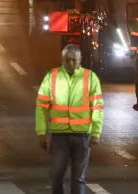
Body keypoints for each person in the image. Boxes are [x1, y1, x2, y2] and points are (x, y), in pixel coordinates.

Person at [36, 44, 104, 194]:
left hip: (82, 135)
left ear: (81, 60)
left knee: (78, 178)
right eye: (68, 60)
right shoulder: (52, 77)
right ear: (62, 60)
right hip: (59, 136)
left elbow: (97, 107)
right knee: (56, 175)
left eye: (75, 60)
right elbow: (41, 106)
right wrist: (41, 132)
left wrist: (96, 133)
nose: (71, 64)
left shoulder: (90, 78)